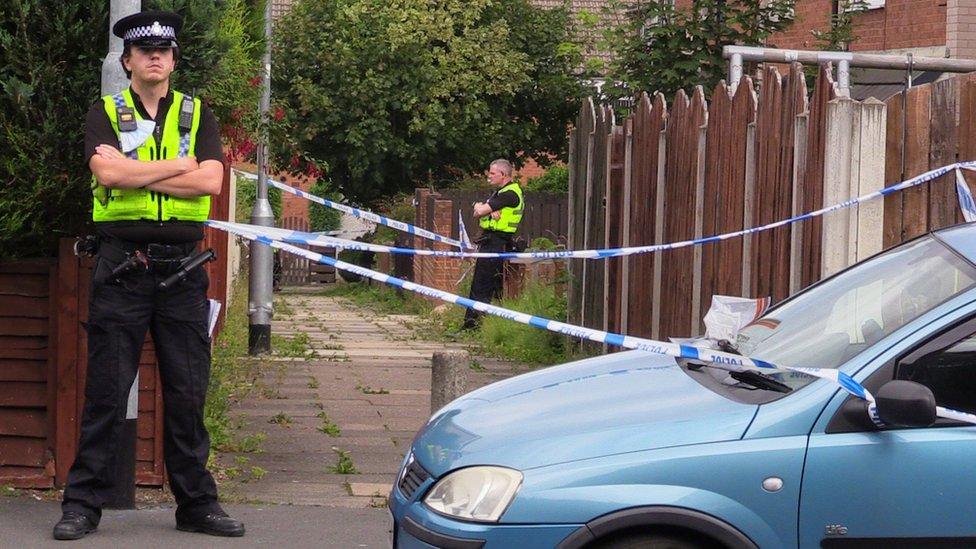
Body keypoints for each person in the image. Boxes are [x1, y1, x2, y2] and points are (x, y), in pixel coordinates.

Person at [53, 10, 244, 540]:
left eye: (164, 50)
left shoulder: (196, 113)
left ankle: (197, 505)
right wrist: (178, 168)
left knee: (187, 393)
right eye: (144, 51)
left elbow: (211, 182)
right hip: (122, 268)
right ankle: (82, 505)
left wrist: (145, 177)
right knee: (107, 393)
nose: (154, 57)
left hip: (184, 272)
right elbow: (108, 172)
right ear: (128, 60)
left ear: (174, 61)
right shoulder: (105, 112)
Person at [462, 159, 524, 330]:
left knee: (482, 284)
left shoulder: (509, 194)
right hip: (490, 241)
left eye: (492, 173)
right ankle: (478, 324)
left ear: (503, 175)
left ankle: (472, 326)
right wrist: (483, 206)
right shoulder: (499, 193)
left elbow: (480, 211)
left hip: (498, 242)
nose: (489, 176)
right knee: (484, 283)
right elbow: (477, 211)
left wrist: (483, 207)